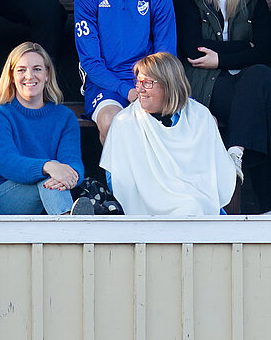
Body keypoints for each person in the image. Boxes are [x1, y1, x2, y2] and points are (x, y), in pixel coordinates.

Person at [174, 0, 271, 214]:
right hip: (205, 84)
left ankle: (236, 151)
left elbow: (266, 52)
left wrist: (221, 58)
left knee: (261, 75)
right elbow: (193, 49)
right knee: (261, 108)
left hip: (245, 83)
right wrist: (244, 50)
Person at [76, 0, 176, 143]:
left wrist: (145, 88)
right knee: (114, 122)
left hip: (148, 84)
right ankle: (116, 182)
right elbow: (90, 61)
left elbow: (165, 56)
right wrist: (126, 91)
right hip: (105, 85)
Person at [100, 52, 237, 217]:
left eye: (147, 83)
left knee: (194, 207)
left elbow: (216, 171)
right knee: (190, 208)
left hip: (198, 201)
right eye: (138, 81)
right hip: (146, 204)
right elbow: (117, 179)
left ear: (169, 85)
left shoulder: (200, 116)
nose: (139, 89)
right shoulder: (125, 122)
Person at [0, 42, 85, 216]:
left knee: (52, 178)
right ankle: (72, 229)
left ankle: (68, 225)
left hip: (50, 191)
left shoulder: (65, 117)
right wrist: (47, 166)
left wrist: (71, 175)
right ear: (12, 76)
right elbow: (8, 164)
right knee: (50, 176)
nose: (29, 76)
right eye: (21, 70)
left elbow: (73, 163)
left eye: (37, 69)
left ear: (46, 75)